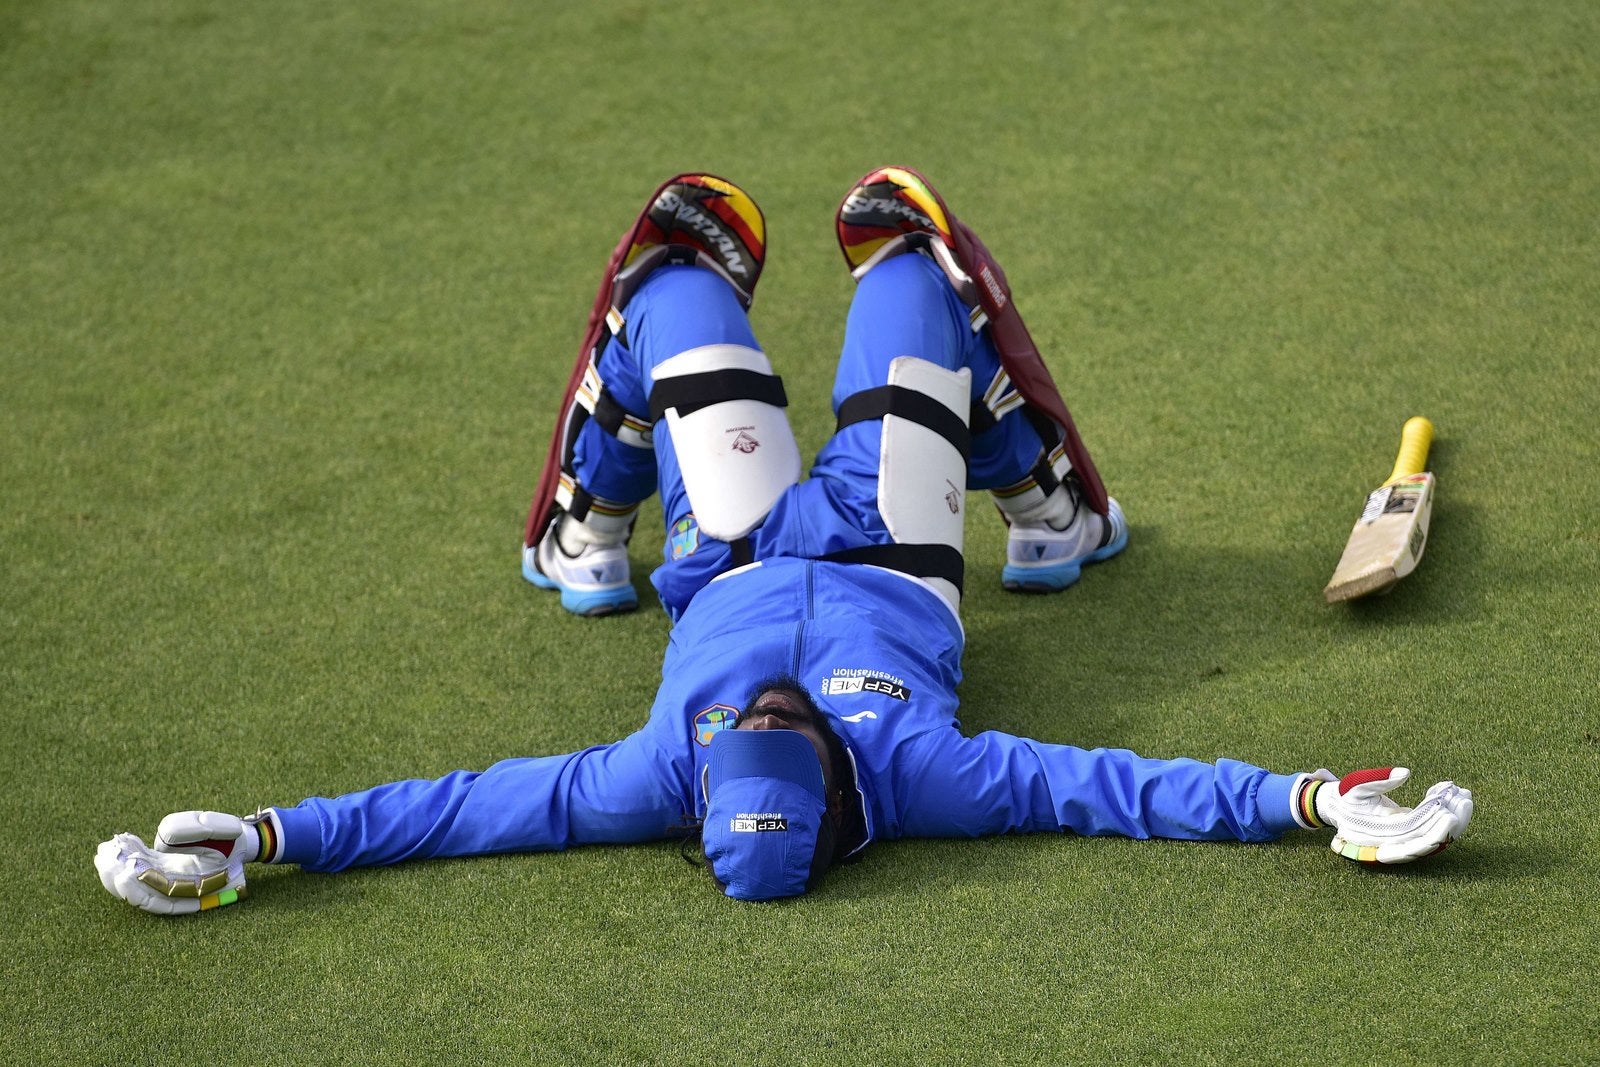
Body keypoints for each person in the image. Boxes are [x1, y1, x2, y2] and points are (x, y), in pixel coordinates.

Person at [94, 169, 1473, 913]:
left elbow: (455, 814)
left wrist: (271, 837)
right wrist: (1310, 800)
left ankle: (589, 530)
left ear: (705, 789)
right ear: (840, 795)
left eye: (744, 722)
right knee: (907, 256)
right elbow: (1116, 788)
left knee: (674, 279)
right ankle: (1051, 515)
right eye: (793, 726)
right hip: (892, 548)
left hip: (735, 550)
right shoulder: (925, 774)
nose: (771, 703)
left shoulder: (657, 777)